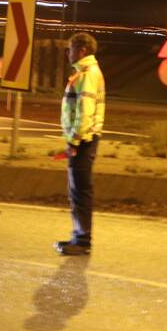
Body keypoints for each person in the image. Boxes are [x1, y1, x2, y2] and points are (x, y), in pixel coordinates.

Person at [56, 32, 105, 256]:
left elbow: (85, 112)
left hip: (83, 141)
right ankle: (79, 236)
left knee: (80, 191)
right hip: (84, 140)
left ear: (82, 50)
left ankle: (83, 241)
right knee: (77, 190)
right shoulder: (86, 72)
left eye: (71, 48)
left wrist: (73, 141)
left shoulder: (87, 74)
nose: (68, 53)